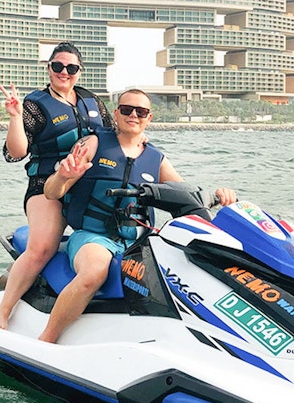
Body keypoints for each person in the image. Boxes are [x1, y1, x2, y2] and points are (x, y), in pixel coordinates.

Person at [38, 89, 237, 343]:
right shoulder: (93, 144)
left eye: (140, 112)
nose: (133, 115)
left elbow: (188, 197)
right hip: (93, 237)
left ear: (149, 117)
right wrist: (63, 176)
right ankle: (47, 339)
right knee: (94, 273)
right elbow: (51, 192)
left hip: (137, 244)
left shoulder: (156, 159)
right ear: (116, 114)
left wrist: (220, 196)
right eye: (127, 110)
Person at [0, 42, 112, 330]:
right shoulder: (34, 104)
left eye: (71, 68)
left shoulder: (92, 101)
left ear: (79, 72)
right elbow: (17, 152)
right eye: (58, 66)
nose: (64, 72)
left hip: (89, 186)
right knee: (42, 248)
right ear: (49, 68)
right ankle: (2, 313)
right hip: (47, 186)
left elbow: (111, 139)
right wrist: (14, 117)